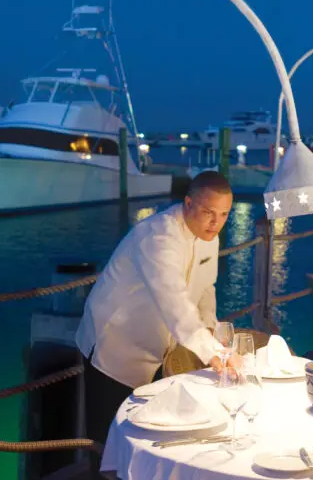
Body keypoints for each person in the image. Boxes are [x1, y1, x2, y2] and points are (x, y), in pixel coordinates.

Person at [75, 170, 238, 445]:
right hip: (113, 346)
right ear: (188, 204)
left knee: (149, 433)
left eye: (224, 215)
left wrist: (211, 328)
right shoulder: (158, 237)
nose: (216, 223)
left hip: (159, 349)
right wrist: (214, 354)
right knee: (109, 442)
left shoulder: (209, 237)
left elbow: (205, 290)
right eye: (209, 212)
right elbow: (173, 300)